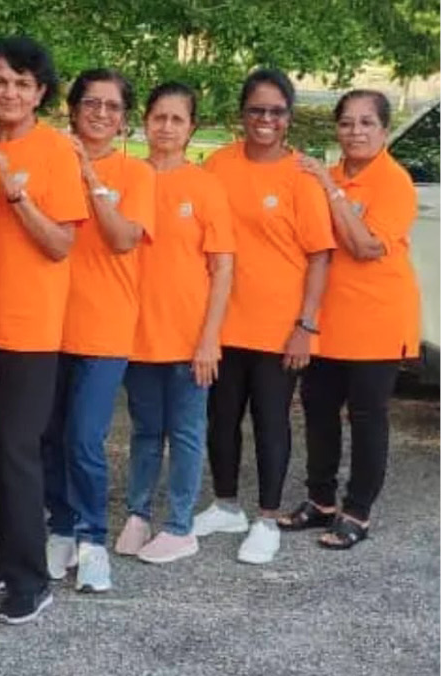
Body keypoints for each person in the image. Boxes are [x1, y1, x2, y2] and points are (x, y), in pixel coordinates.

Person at [0, 36, 88, 624]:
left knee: (16, 452)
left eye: (22, 82)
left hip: (30, 330)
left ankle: (30, 578)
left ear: (40, 92)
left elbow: (62, 243)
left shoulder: (55, 153)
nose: (9, 91)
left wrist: (16, 193)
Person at [193, 68, 334, 565]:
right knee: (221, 419)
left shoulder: (301, 176)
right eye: (257, 110)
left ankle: (267, 518)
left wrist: (306, 324)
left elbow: (320, 255)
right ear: (242, 114)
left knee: (271, 422)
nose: (266, 119)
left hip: (278, 330)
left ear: (288, 118)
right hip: (222, 323)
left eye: (276, 111)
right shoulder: (216, 166)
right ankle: (226, 504)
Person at [278, 90, 419, 549]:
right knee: (318, 412)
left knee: (367, 416)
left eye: (366, 123)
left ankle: (357, 510)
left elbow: (365, 246)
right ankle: (320, 501)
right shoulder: (328, 176)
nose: (355, 132)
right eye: (347, 123)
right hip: (326, 319)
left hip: (376, 321)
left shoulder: (393, 182)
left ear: (383, 130)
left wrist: (332, 192)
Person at [41, 69, 154, 591]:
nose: (101, 114)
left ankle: (92, 538)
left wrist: (88, 174)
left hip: (105, 327)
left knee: (85, 438)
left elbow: (122, 238)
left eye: (113, 106)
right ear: (73, 108)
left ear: (125, 119)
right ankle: (59, 527)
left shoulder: (136, 174)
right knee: (48, 437)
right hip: (44, 321)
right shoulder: (48, 160)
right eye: (92, 103)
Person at [117, 82, 234, 564]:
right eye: (158, 117)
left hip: (189, 339)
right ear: (144, 122)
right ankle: (138, 514)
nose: (166, 127)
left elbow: (222, 267)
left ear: (191, 128)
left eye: (177, 120)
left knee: (185, 432)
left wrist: (210, 339)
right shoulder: (129, 177)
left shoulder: (205, 187)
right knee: (145, 431)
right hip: (135, 335)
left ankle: (181, 526)